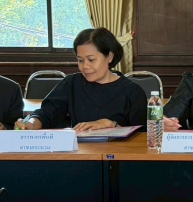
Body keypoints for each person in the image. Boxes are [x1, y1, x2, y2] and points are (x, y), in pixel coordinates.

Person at [14, 28, 147, 130]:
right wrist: (31, 122)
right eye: (80, 60)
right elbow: (47, 113)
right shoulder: (72, 83)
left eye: (91, 60)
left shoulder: (132, 92)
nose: (85, 66)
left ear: (110, 57)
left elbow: (142, 135)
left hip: (119, 154)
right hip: (81, 152)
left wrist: (112, 125)